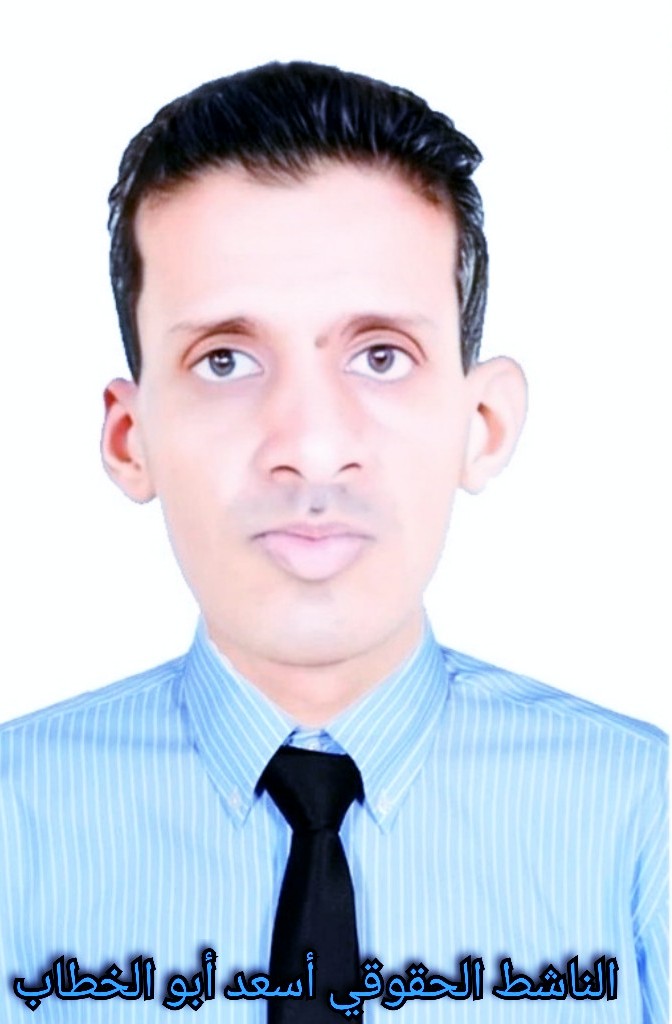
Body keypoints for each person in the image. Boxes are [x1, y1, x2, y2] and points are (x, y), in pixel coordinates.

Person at [0, 61, 666, 1022]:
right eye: (224, 360)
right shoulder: (15, 828)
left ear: (482, 424)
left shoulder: (643, 820)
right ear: (130, 437)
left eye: (381, 355)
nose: (311, 448)